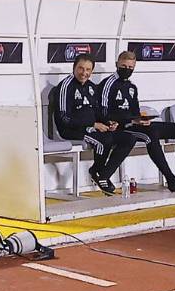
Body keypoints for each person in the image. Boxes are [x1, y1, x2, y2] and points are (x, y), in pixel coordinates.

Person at [98, 50, 175, 193]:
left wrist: (141, 119)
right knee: (151, 135)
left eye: (131, 68)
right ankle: (172, 181)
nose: (127, 70)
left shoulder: (132, 87)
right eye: (124, 66)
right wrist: (131, 120)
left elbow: (135, 112)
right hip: (120, 128)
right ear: (117, 64)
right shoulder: (108, 84)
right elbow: (104, 113)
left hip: (135, 124)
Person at [52, 53, 133, 195]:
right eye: (81, 69)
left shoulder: (91, 87)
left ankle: (104, 175)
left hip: (92, 127)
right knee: (104, 141)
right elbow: (64, 118)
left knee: (128, 138)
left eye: (88, 70)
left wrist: (108, 122)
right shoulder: (65, 86)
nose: (84, 73)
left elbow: (98, 112)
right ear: (74, 68)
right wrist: (93, 124)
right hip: (71, 130)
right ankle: (96, 171)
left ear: (92, 71)